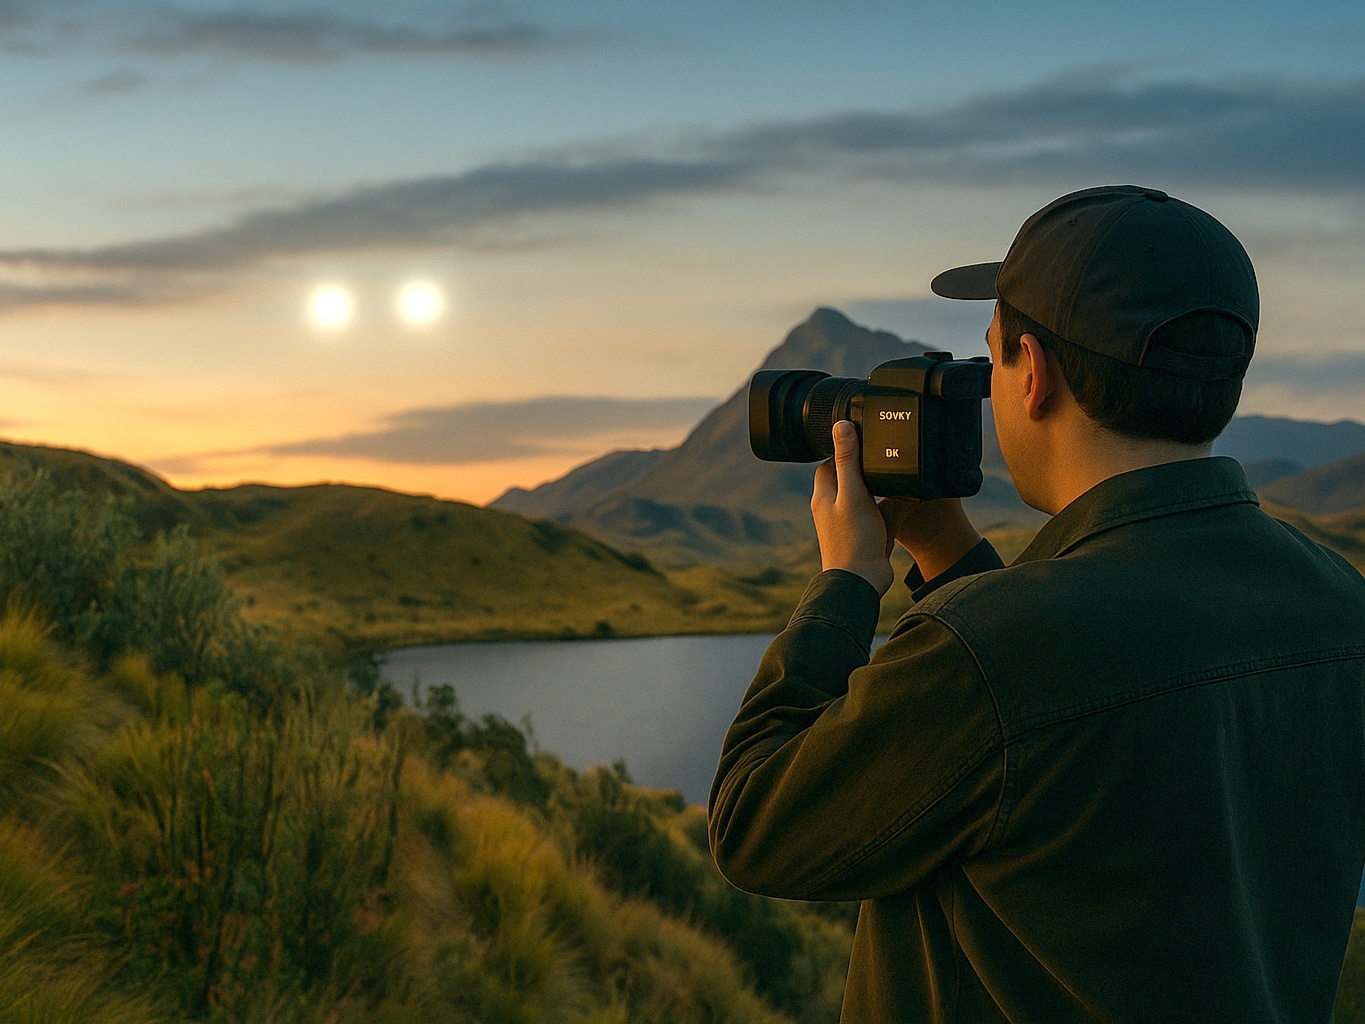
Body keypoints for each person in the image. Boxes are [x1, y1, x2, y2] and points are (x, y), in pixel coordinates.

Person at [707, 184, 1365, 1022]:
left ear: (1035, 375)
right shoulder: (1338, 602)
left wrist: (843, 586)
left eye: (995, 358)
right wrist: (944, 551)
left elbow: (756, 828)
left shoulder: (993, 649)